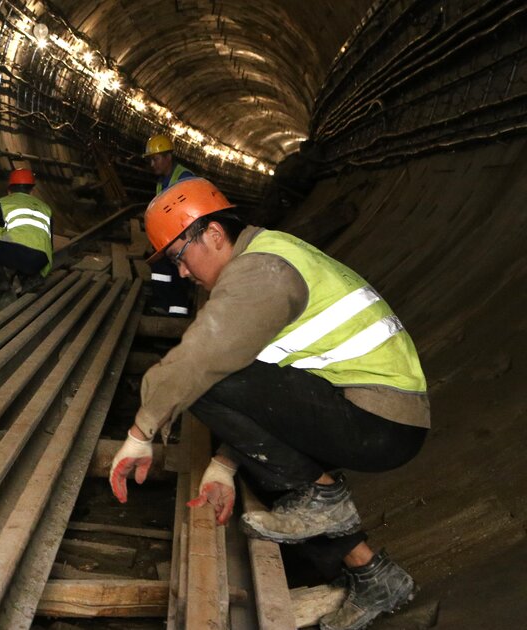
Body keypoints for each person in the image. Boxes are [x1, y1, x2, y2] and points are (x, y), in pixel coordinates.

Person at [108, 178, 429, 630]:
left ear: (214, 235)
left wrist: (139, 434)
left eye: (180, 256)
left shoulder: (262, 271)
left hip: (380, 417)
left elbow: (201, 360)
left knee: (203, 380)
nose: (181, 273)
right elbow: (265, 404)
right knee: (283, 479)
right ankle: (375, 576)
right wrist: (225, 466)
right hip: (370, 410)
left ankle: (326, 497)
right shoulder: (264, 261)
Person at [142, 134, 196, 317]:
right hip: (170, 237)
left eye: (155, 159)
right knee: (162, 269)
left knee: (174, 272)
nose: (152, 164)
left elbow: (189, 211)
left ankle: (177, 311)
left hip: (184, 237)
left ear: (168, 157)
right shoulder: (161, 182)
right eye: (150, 160)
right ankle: (165, 305)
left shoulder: (184, 177)